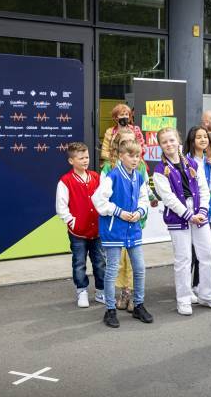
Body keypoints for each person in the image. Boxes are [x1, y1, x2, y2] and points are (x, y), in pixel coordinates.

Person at [153, 127, 211, 316]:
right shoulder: (160, 170)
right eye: (164, 142)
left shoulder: (192, 163)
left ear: (178, 141)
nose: (169, 144)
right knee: (183, 259)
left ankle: (206, 293)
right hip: (179, 217)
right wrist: (188, 215)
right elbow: (168, 198)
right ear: (160, 145)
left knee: (209, 254)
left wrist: (201, 211)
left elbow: (204, 189)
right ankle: (184, 299)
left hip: (199, 214)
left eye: (171, 140)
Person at [92, 140, 153, 328]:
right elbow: (97, 200)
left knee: (140, 268)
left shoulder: (138, 177)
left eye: (137, 156)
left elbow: (144, 198)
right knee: (112, 270)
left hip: (133, 228)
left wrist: (140, 212)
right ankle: (110, 310)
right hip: (114, 230)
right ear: (121, 156)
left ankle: (139, 305)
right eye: (130, 155)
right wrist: (118, 212)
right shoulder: (113, 176)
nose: (135, 160)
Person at [55, 142, 106, 307]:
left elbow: (104, 198)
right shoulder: (65, 181)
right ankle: (82, 291)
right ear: (71, 161)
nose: (85, 161)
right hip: (77, 231)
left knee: (99, 261)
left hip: (97, 230)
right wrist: (71, 221)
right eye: (81, 158)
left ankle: (101, 291)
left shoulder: (96, 177)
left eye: (87, 157)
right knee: (79, 262)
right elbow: (61, 206)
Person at [184, 125, 211, 298]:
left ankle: (199, 285)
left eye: (205, 137)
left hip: (208, 213)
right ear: (192, 141)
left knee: (206, 252)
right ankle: (187, 288)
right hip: (190, 214)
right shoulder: (185, 161)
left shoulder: (209, 161)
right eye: (199, 137)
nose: (203, 140)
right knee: (188, 254)